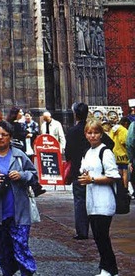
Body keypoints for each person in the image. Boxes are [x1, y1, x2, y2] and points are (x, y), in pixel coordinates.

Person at [0, 119, 39, 276]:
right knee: (4, 248)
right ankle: (8, 272)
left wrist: (21, 175)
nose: (0, 137)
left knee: (21, 245)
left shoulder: (19, 156)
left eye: (4, 135)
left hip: (19, 210)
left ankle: (28, 272)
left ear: (10, 137)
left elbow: (34, 176)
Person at [65, 101, 114, 241]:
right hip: (96, 171)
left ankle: (82, 231)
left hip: (78, 171)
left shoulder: (72, 131)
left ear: (75, 114)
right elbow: (111, 143)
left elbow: (68, 153)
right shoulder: (94, 130)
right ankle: (97, 228)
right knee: (96, 197)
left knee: (80, 201)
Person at [78, 118, 120, 276]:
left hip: (104, 200)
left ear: (101, 134)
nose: (93, 136)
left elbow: (113, 176)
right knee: (97, 236)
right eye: (89, 133)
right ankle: (106, 268)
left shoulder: (105, 152)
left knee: (102, 236)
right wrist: (84, 177)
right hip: (92, 200)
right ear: (85, 134)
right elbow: (84, 170)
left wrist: (93, 179)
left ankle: (110, 269)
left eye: (96, 132)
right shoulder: (88, 152)